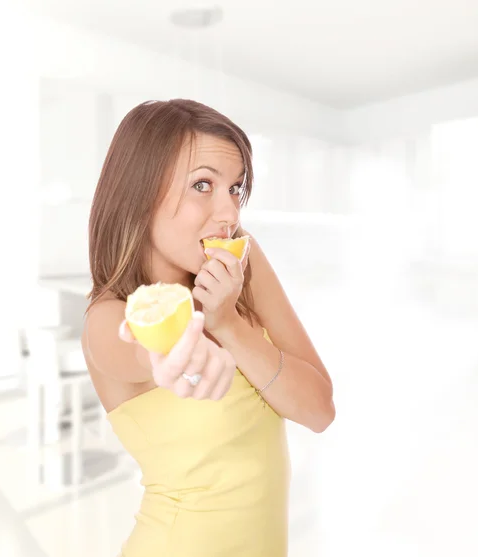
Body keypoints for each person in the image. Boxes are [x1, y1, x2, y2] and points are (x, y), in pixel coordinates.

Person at [81, 98, 335, 557]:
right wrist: (171, 352)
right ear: (139, 193)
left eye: (235, 189)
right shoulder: (108, 316)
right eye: (203, 185)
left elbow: (319, 411)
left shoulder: (242, 261)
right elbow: (142, 347)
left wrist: (230, 325)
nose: (230, 214)